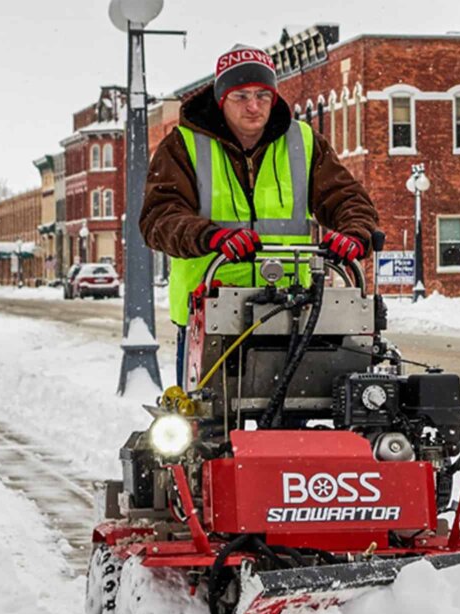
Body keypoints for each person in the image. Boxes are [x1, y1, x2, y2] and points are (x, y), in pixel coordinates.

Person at [140, 44, 379, 385]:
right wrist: (213, 237)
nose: (253, 106)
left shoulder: (304, 142)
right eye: (241, 96)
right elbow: (160, 218)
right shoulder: (183, 145)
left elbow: (346, 197)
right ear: (221, 99)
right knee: (206, 422)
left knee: (301, 411)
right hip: (212, 309)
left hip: (292, 307)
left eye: (262, 95)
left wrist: (355, 233)